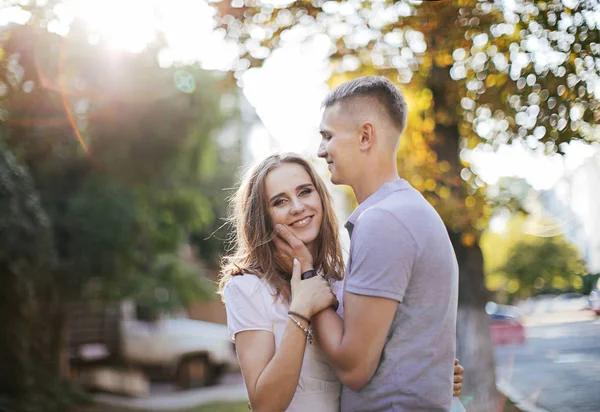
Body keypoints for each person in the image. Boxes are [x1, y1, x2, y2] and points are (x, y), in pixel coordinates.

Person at [218, 153, 464, 411]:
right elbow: (264, 405)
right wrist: (301, 310)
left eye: (305, 192)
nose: (298, 207)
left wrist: (433, 375)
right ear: (262, 217)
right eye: (280, 201)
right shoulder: (247, 287)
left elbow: (368, 363)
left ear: (320, 197)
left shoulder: (342, 278)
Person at [275, 76, 462, 411]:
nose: (321, 151)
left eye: (328, 136)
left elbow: (354, 367)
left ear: (365, 136)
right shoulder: (406, 210)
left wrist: (308, 278)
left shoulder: (384, 221)